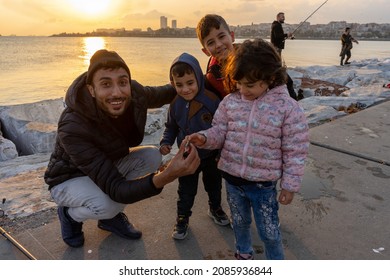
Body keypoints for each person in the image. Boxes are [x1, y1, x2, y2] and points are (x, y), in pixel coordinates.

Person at [44, 49, 200, 248]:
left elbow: (169, 91)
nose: (117, 92)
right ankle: (70, 215)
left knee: (152, 155)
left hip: (104, 170)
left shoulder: (134, 93)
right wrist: (168, 174)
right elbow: (116, 189)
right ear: (91, 89)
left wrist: (211, 80)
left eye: (122, 82)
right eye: (106, 84)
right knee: (108, 203)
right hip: (67, 180)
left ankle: (109, 219)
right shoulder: (73, 125)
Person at [186, 39, 309, 260]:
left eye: (250, 85)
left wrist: (289, 186)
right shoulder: (230, 102)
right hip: (233, 181)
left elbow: (295, 150)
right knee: (240, 223)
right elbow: (220, 131)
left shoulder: (287, 108)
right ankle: (243, 253)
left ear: (269, 78)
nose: (243, 90)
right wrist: (204, 138)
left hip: (262, 186)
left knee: (269, 232)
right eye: (239, 83)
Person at [159, 52, 229, 240]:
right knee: (186, 191)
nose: (185, 89)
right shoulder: (175, 105)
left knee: (214, 186)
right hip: (187, 157)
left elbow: (222, 129)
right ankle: (182, 219)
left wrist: (221, 153)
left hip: (210, 155)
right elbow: (171, 127)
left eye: (190, 83)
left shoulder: (212, 101)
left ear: (198, 77)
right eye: (179, 85)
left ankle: (215, 208)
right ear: (173, 83)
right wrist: (165, 142)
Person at [196, 14, 297, 101]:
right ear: (205, 51)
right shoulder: (211, 78)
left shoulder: (254, 55)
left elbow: (283, 80)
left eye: (221, 36)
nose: (218, 44)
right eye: (211, 43)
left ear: (232, 36)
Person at [270, 12, 297, 100]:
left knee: (278, 63)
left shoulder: (276, 25)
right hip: (276, 47)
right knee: (277, 63)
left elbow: (279, 37)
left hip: (277, 47)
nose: (284, 18)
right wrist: (286, 35)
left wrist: (287, 36)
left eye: (284, 17)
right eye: (282, 17)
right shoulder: (276, 26)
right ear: (278, 17)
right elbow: (278, 36)